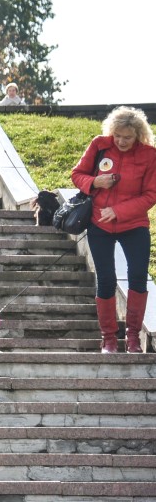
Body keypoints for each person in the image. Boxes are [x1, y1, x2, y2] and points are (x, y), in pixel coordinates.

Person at [70, 106, 156, 354]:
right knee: (106, 280)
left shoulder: (150, 155)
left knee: (138, 277)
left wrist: (119, 211)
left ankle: (132, 339)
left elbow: (151, 194)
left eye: (127, 137)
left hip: (134, 224)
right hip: (99, 224)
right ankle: (108, 340)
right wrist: (94, 182)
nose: (121, 141)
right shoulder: (100, 145)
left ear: (138, 135)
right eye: (117, 135)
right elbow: (77, 174)